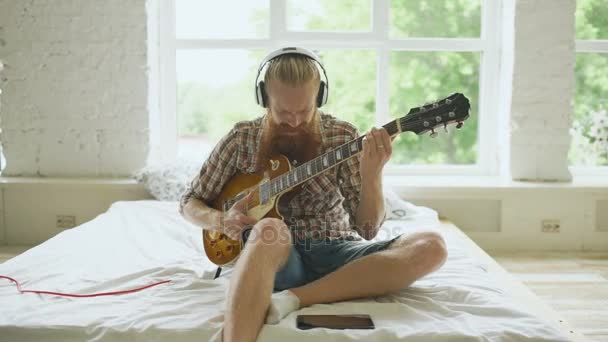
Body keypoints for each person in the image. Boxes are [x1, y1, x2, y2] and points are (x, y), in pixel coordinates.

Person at [179, 47, 447, 342]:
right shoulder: (240, 139)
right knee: (270, 228)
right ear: (263, 98)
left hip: (336, 253)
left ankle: (294, 298)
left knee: (432, 245)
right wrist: (220, 221)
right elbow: (189, 202)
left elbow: (368, 230)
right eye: (283, 112)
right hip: (273, 255)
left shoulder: (342, 136)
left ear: (319, 97)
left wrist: (372, 176)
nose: (294, 122)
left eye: (304, 111)